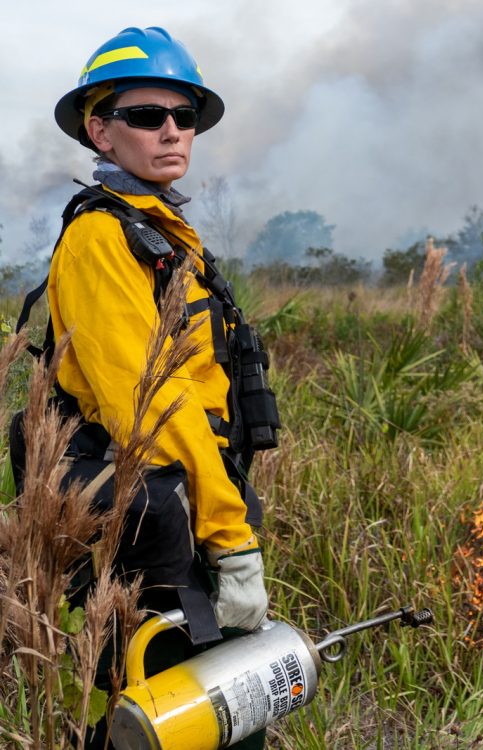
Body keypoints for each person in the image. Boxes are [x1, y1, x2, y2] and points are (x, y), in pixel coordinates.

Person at [17, 26, 279, 748]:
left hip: (188, 499)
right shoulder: (103, 239)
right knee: (182, 720)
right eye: (144, 116)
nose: (171, 131)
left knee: (200, 717)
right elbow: (151, 407)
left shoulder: (159, 231)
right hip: (154, 509)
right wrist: (231, 541)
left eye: (183, 116)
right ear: (100, 131)